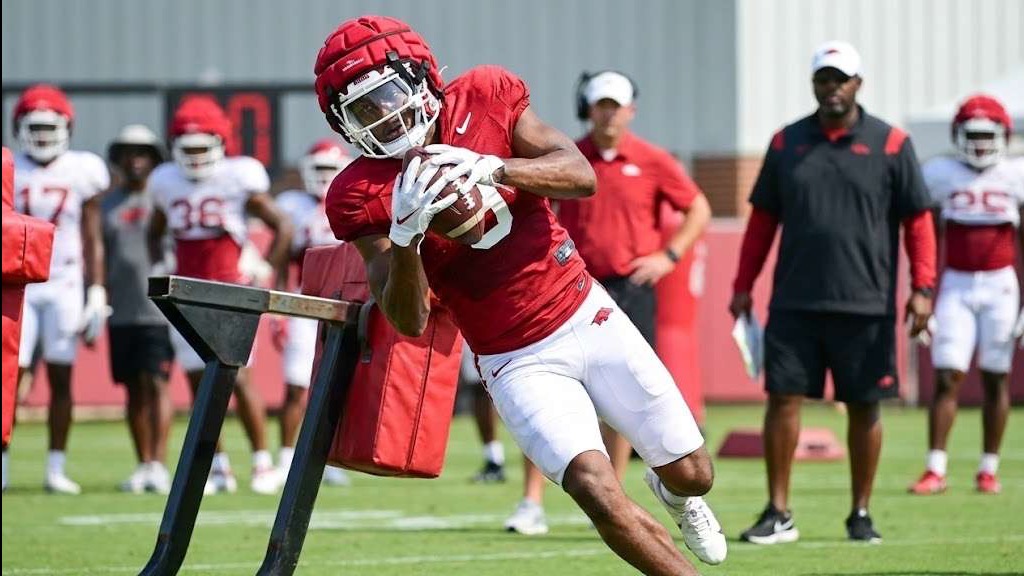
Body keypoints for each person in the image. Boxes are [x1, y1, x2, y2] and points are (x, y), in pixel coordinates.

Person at [315, 15, 727, 574]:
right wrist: (406, 238)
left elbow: (580, 174)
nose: (384, 116)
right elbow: (407, 320)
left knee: (694, 472)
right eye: (363, 110)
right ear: (344, 123)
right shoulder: (358, 193)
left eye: (387, 95)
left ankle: (676, 494)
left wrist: (494, 166)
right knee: (595, 488)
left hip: (587, 313)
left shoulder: (484, 94)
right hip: (513, 359)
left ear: (420, 75)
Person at [729, 41, 937, 544]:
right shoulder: (785, 143)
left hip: (865, 303)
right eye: (824, 78)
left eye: (841, 79)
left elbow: (918, 221)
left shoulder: (891, 144)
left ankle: (860, 513)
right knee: (782, 400)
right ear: (813, 84)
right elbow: (762, 222)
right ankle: (779, 512)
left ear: (858, 84)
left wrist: (924, 287)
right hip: (794, 302)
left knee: (866, 406)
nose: (832, 87)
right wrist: (741, 286)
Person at [505, 70, 713, 535]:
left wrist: (668, 255)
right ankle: (531, 500)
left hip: (630, 287)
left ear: (630, 110)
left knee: (619, 395)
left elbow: (697, 206)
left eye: (616, 106)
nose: (608, 114)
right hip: (566, 287)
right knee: (540, 394)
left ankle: (615, 495)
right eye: (601, 105)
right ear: (590, 108)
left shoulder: (652, 159)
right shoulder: (566, 154)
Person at [148, 96, 293, 495]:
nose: (195, 158)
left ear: (219, 143)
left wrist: (265, 266)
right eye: (188, 149)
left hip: (230, 288)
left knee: (238, 376)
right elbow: (153, 229)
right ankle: (218, 467)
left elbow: (283, 226)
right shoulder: (165, 182)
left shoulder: (238, 176)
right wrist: (159, 262)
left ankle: (262, 461)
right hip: (186, 291)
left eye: (201, 148)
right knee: (198, 381)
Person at [909, 94, 1023, 496]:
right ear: (958, 134)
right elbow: (922, 231)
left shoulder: (1015, 173)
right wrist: (922, 289)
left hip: (1001, 284)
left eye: (986, 135)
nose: (978, 143)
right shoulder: (940, 172)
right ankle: (935, 467)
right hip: (956, 282)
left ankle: (988, 468)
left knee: (996, 377)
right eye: (971, 134)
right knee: (947, 375)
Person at [9, 85, 111, 495]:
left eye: (50, 126)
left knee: (61, 376)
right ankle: (3, 466)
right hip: (19, 283)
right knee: (9, 377)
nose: (43, 134)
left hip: (65, 280)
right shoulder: (10, 166)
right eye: (35, 126)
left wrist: (97, 292)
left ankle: (56, 466)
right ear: (19, 127)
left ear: (67, 126)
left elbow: (92, 236)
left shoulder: (82, 169)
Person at [273, 138, 352, 487]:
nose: (322, 177)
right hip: (305, 302)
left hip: (347, 304)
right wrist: (277, 311)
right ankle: (286, 458)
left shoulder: (353, 198)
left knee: (338, 387)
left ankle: (327, 457)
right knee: (295, 385)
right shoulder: (291, 205)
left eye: (328, 169)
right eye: (317, 169)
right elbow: (280, 261)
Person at [102, 124, 175, 494]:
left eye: (142, 153)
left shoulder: (163, 198)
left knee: (157, 383)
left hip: (160, 311)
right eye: (128, 153)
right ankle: (143, 463)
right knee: (132, 388)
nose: (135, 160)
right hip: (122, 310)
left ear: (154, 159)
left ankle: (160, 464)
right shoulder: (105, 204)